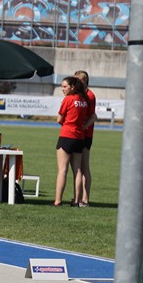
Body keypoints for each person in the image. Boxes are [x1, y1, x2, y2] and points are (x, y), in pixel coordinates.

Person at [53, 75, 89, 207]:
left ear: (72, 87)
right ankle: (76, 200)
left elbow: (59, 119)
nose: (62, 89)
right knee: (77, 170)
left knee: (62, 170)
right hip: (79, 137)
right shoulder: (84, 100)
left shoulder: (68, 99)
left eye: (64, 86)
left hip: (67, 135)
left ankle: (58, 200)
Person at [74, 70, 96, 207]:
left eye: (77, 80)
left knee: (84, 166)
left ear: (84, 81)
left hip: (86, 135)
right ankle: (78, 197)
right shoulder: (79, 94)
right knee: (78, 168)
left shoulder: (89, 95)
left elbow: (92, 116)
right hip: (79, 135)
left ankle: (86, 199)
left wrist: (82, 128)